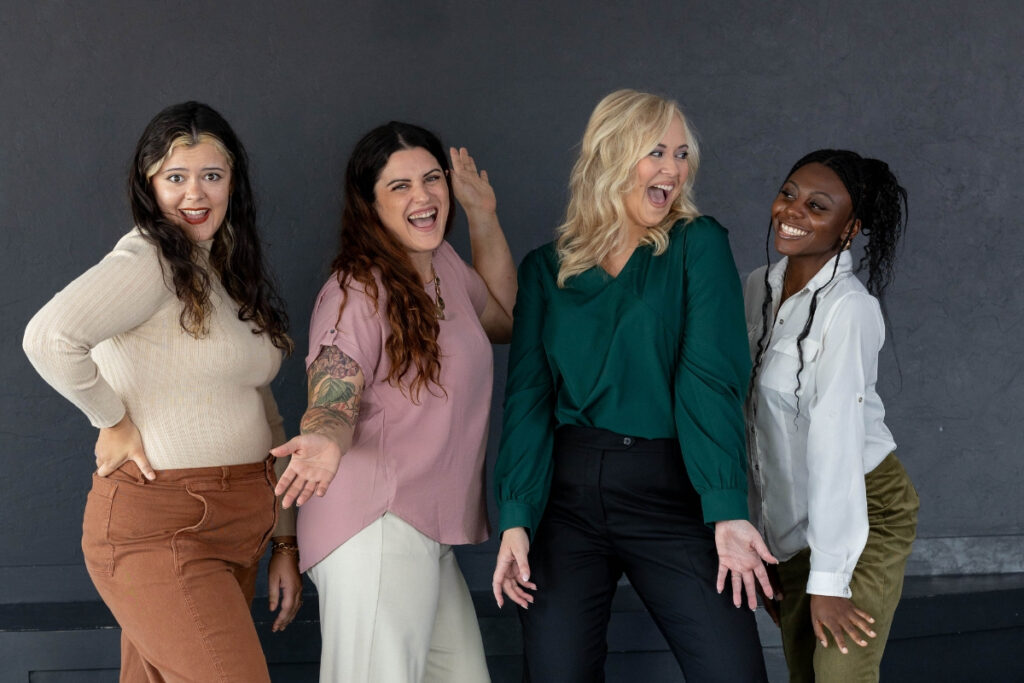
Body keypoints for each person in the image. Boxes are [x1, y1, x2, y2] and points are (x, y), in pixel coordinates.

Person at [491, 89, 775, 682]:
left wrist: (725, 507)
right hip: (566, 500)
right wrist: (516, 516)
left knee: (733, 673)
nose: (673, 169)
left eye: (681, 154)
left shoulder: (697, 246)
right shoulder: (547, 268)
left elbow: (711, 378)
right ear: (611, 157)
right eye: (656, 152)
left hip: (670, 489)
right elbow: (528, 401)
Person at [22, 101, 301, 682]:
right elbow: (49, 337)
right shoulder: (149, 258)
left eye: (211, 176)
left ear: (232, 184)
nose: (194, 194)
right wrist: (113, 422)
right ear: (150, 184)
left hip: (237, 525)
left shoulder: (223, 269)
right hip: (165, 527)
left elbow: (263, 408)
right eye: (176, 177)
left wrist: (284, 541)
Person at [269, 121, 516, 682]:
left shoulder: (444, 267)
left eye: (432, 179)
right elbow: (333, 394)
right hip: (374, 526)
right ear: (369, 204)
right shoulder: (357, 290)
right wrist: (326, 440)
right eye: (400, 186)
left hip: (423, 527)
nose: (423, 196)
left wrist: (483, 215)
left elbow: (505, 318)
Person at [744, 149, 919, 682]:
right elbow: (753, 426)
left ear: (850, 230)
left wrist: (829, 580)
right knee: (805, 674)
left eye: (818, 206)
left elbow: (835, 441)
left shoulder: (850, 308)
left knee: (841, 675)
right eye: (789, 194)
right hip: (794, 520)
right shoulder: (758, 287)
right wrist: (765, 542)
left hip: (864, 509)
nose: (792, 211)